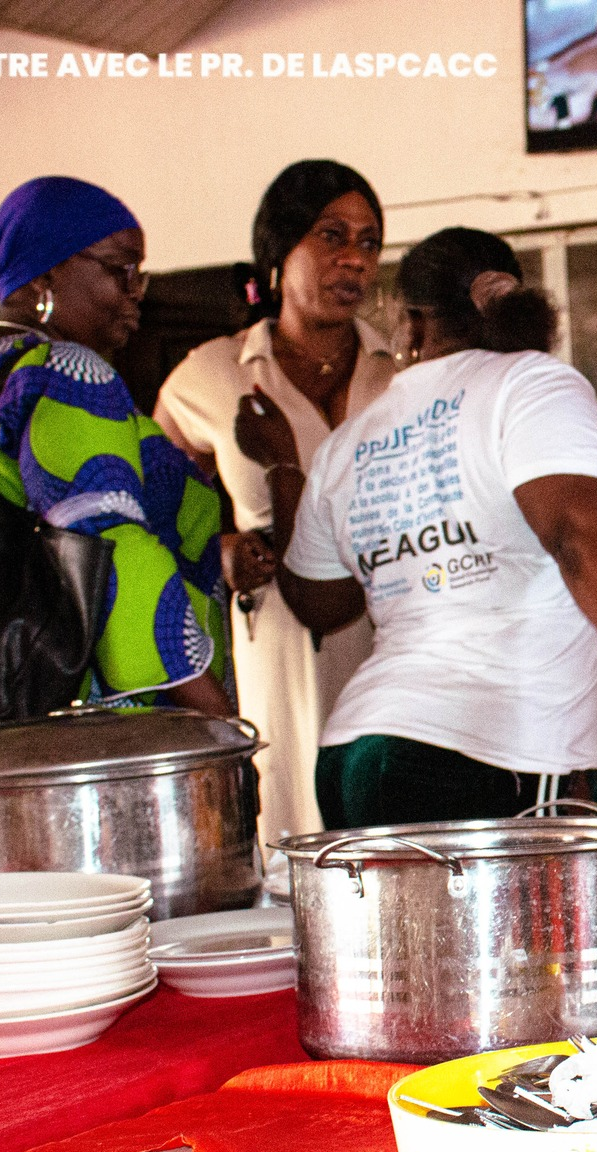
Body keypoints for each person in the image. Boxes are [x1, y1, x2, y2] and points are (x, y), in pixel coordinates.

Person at [261, 227, 597, 827]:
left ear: (414, 325)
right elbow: (577, 536)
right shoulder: (529, 385)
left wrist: (285, 472)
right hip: (501, 749)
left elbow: (319, 601)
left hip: (356, 752)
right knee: (541, 927)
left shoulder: (352, 440)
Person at [0, 175, 231, 752]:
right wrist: (216, 718)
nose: (135, 290)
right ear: (46, 274)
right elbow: (117, 555)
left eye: (139, 272)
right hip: (81, 736)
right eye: (120, 268)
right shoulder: (71, 372)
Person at [155, 160, 392, 842]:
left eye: (370, 242)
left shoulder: (400, 373)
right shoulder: (212, 373)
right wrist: (218, 550)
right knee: (291, 820)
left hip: (391, 626)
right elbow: (151, 515)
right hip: (276, 633)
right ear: (279, 249)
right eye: (331, 236)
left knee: (389, 825)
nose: (354, 259)